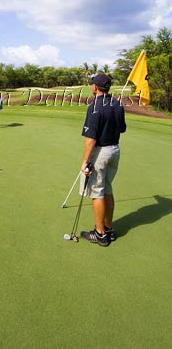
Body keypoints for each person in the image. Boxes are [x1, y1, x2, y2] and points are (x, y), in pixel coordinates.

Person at [79, 74, 126, 247]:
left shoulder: (94, 107)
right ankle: (108, 228)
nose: (92, 87)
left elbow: (90, 139)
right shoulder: (118, 104)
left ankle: (100, 234)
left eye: (92, 85)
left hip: (101, 153)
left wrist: (84, 162)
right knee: (107, 188)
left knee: (97, 191)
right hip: (115, 150)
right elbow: (122, 129)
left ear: (96, 87)